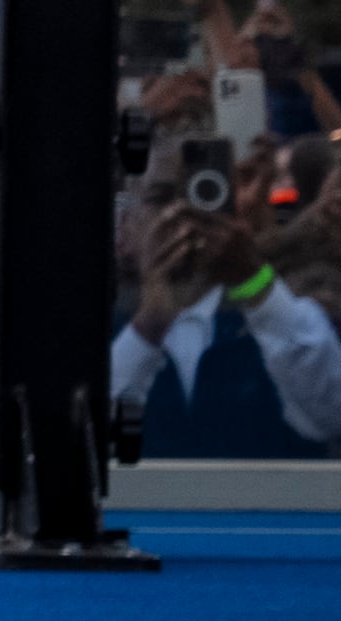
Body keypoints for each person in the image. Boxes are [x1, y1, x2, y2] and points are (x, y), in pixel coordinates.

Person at [114, 139, 341, 458]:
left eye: (205, 192)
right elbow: (79, 440)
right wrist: (149, 325)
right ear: (124, 227)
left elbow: (331, 414)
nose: (184, 212)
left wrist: (253, 282)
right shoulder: (96, 327)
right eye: (162, 199)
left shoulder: (284, 311)